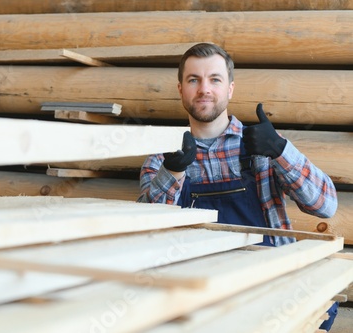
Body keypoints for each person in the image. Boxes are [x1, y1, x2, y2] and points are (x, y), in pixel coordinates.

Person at [137, 43, 338, 330]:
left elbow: (326, 206)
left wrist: (280, 150)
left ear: (230, 88)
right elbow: (144, 234)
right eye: (194, 80)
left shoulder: (263, 144)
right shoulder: (161, 158)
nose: (204, 89)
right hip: (199, 294)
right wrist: (173, 171)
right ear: (180, 88)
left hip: (274, 283)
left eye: (215, 79)